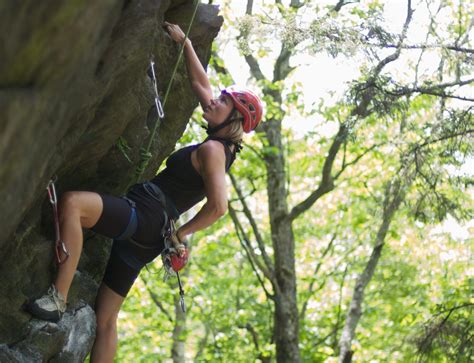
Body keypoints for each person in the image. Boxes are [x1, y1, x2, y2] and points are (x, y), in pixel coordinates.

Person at [25, 22, 263, 362]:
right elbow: (201, 84)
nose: (214, 101)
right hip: (151, 235)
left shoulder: (213, 151)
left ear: (234, 119)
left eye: (223, 102)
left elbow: (219, 206)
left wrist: (183, 232)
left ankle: (57, 298)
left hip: (146, 216)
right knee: (106, 318)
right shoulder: (222, 148)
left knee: (74, 204)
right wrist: (185, 44)